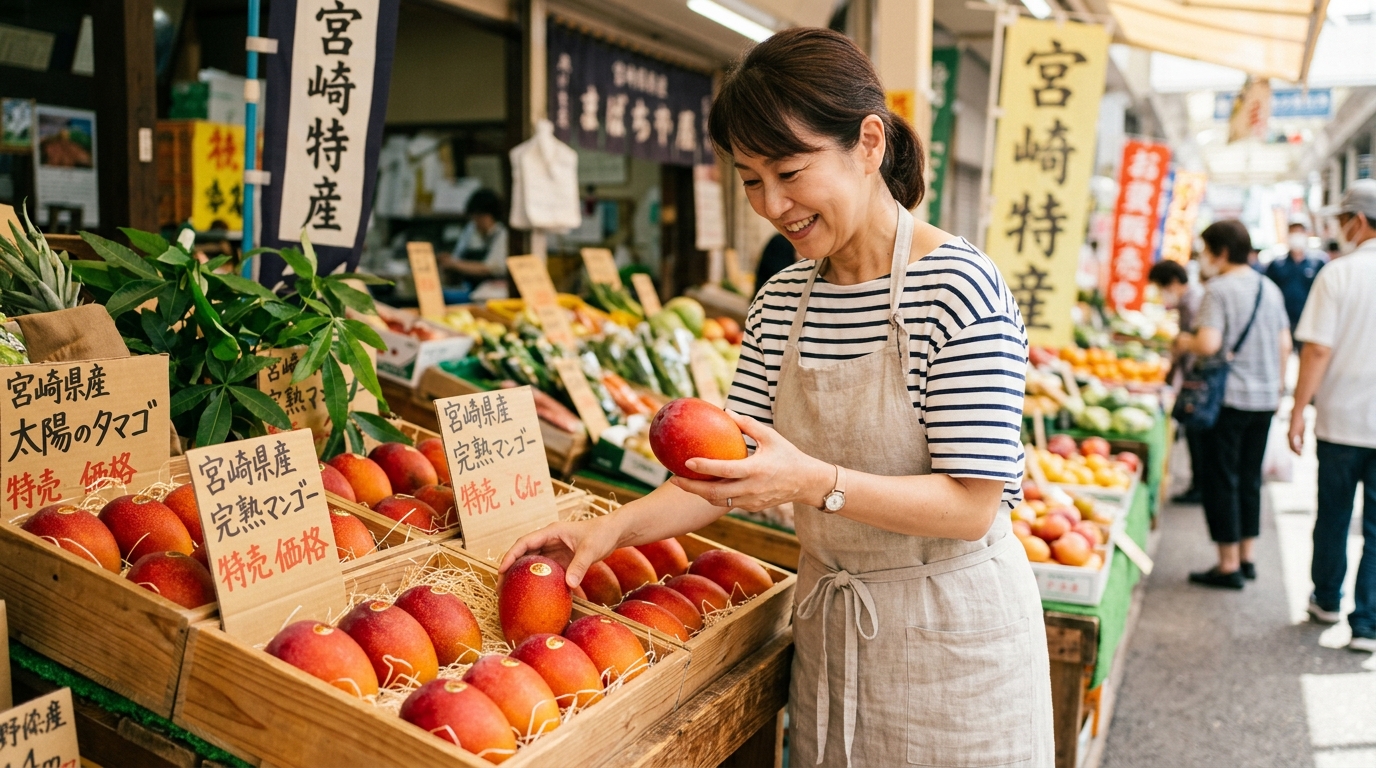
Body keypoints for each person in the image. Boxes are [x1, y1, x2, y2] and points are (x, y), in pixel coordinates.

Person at [499, 28, 1052, 767]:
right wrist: (610, 531)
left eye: (790, 171)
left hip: (953, 641)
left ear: (867, 142)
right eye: (751, 179)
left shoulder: (957, 289)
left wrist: (815, 484)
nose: (773, 204)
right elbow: (727, 475)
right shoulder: (782, 299)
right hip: (833, 631)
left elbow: (972, 505)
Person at [1175, 220, 1291, 589]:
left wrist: (1183, 342)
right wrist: (1277, 388)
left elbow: (1208, 343)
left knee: (1221, 478)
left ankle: (1227, 566)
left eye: (1206, 250)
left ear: (1221, 252)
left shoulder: (1218, 289)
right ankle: (1247, 556)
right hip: (1264, 399)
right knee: (1249, 478)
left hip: (1228, 401)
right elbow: (1284, 343)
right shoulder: (1268, 288)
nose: (1203, 259)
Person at [1288, 179, 1376, 652]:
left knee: (1335, 516)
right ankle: (1368, 623)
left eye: (1342, 219)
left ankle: (1326, 601)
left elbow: (1317, 349)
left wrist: (1298, 411)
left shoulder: (1337, 274)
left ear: (1357, 222)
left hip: (1342, 422)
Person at [1149, 259, 1206, 504]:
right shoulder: (1189, 300)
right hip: (1192, 376)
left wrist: (1180, 347)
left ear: (1172, 282)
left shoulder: (1193, 302)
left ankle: (1199, 486)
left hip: (1196, 377)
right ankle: (1199, 484)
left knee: (1197, 433)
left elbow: (1195, 342)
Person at [440, 189, 509, 298]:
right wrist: (449, 262)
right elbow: (457, 256)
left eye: (479, 216)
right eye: (474, 217)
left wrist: (454, 264)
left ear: (489, 215)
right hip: (468, 287)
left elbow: (488, 269)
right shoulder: (471, 229)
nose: (476, 221)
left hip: (493, 291)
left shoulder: (502, 234)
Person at [1265, 222, 1325, 338]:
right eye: (1293, 231)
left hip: (1309, 321)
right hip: (1283, 322)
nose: (1297, 235)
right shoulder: (1277, 264)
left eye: (1300, 231)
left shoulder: (1317, 263)